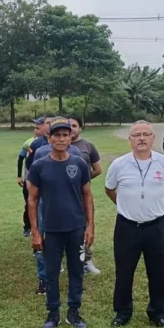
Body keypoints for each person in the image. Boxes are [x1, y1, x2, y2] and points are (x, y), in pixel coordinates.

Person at [106, 121, 164, 328]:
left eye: (146, 134)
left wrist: (157, 203)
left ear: (152, 138)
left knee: (158, 271)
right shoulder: (119, 164)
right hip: (127, 227)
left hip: (156, 226)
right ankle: (123, 311)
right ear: (130, 140)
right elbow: (110, 189)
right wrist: (125, 205)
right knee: (124, 271)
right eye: (136, 135)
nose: (141, 138)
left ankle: (157, 312)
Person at [27, 117, 94, 328]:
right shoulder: (39, 166)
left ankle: (73, 311)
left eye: (66, 135)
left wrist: (90, 226)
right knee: (51, 273)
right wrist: (36, 232)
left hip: (76, 228)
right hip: (52, 230)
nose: (62, 139)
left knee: (77, 271)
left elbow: (87, 195)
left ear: (71, 137)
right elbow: (33, 199)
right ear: (49, 137)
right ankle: (53, 312)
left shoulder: (80, 163)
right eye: (57, 135)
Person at [69, 114, 103, 275]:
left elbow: (98, 170)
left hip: (81, 195)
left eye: (74, 125)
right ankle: (64, 260)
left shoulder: (88, 146)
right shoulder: (58, 145)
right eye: (68, 125)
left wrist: (83, 181)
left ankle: (86, 260)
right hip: (61, 195)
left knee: (84, 227)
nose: (71, 129)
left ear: (80, 128)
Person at [18, 118, 47, 237]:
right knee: (30, 204)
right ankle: (28, 226)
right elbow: (23, 159)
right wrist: (22, 177)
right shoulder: (31, 143)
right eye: (35, 127)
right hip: (31, 181)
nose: (35, 130)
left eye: (38, 127)